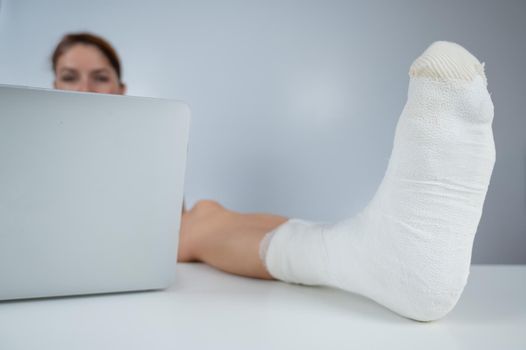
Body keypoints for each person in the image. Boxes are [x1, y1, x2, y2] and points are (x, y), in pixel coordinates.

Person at [51, 32, 496, 321]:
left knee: (202, 213)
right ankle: (360, 253)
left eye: (100, 77)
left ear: (121, 89)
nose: (84, 89)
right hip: (64, 250)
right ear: (52, 85)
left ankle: (363, 249)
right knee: (190, 231)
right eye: (69, 77)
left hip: (131, 247)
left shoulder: (142, 139)